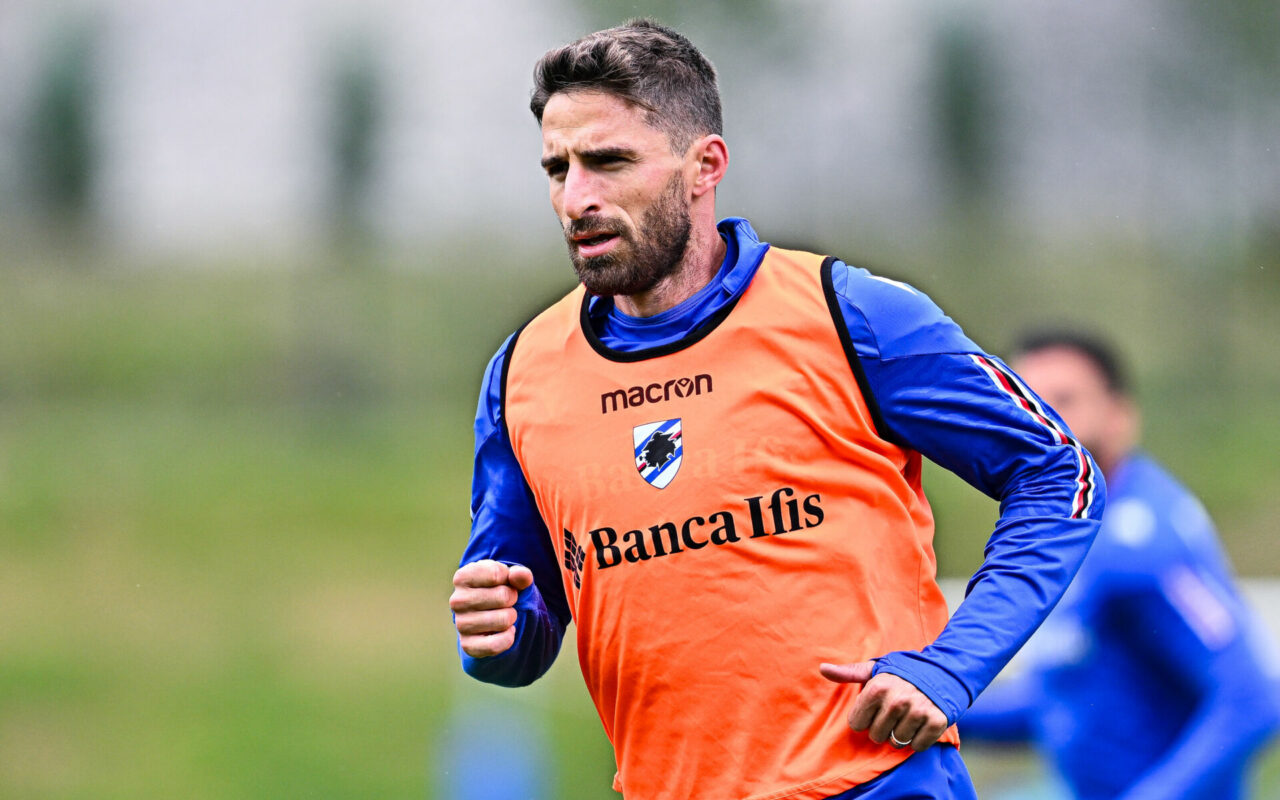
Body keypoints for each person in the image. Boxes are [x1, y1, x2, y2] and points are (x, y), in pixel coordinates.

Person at [448, 20, 1105, 800]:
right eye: (557, 169)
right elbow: (521, 623)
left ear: (705, 166)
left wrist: (952, 667)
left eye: (609, 162)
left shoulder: (848, 315)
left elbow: (1058, 474)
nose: (576, 198)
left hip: (876, 784)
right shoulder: (522, 373)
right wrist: (494, 634)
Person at [962, 330, 1280, 799]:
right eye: (1025, 401)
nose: (1039, 420)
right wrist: (933, 704)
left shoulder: (1141, 540)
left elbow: (1252, 697)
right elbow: (1067, 698)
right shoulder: (1073, 533)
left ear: (1119, 416)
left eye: (1064, 400)